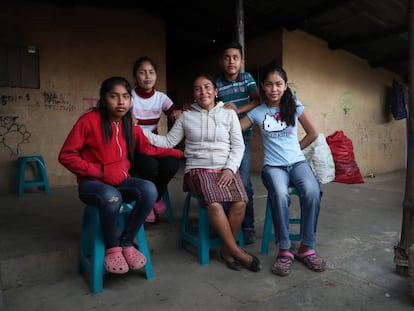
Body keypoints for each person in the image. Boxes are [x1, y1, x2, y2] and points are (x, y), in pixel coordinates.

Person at [58, 76, 182, 274]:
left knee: (149, 190)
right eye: (114, 96)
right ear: (104, 98)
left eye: (126, 96)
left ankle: (126, 242)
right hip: (93, 185)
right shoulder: (89, 121)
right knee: (111, 197)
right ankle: (112, 246)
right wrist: (99, 171)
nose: (121, 102)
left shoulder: (129, 125)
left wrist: (177, 153)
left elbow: (148, 148)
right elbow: (66, 155)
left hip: (120, 182)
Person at [145, 73, 262, 272]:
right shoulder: (186, 116)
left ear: (216, 91)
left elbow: (238, 146)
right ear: (193, 94)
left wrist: (229, 169)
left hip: (225, 168)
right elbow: (168, 142)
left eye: (207, 87)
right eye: (198, 88)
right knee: (214, 204)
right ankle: (237, 251)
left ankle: (226, 250)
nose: (203, 92)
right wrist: (138, 131)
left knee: (241, 202)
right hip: (198, 170)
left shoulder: (229, 113)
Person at [240, 66, 326, 276]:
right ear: (263, 86)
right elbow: (234, 129)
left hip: (297, 164)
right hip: (273, 167)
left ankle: (306, 248)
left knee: (313, 191)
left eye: (278, 84)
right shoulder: (258, 112)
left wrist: (297, 149)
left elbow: (313, 133)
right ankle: (285, 250)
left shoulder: (295, 106)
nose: (274, 89)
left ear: (285, 86)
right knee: (279, 194)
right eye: (269, 84)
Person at [215, 42, 261, 245]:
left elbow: (257, 101)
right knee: (223, 181)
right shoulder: (216, 84)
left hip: (243, 137)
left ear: (242, 61)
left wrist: (237, 110)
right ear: (221, 62)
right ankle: (225, 224)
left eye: (235, 57)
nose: (231, 61)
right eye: (227, 57)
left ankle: (248, 225)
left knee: (245, 182)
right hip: (222, 141)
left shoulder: (247, 78)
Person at [130, 56, 182, 223]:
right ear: (135, 76)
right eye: (142, 73)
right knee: (149, 166)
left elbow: (174, 114)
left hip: (154, 144)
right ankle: (146, 202)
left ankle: (153, 198)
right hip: (135, 146)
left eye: (151, 72)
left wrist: (177, 114)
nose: (147, 77)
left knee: (172, 164)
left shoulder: (161, 98)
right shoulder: (129, 97)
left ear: (156, 75)